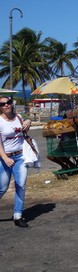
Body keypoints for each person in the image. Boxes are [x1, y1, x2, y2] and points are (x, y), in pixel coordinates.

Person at [0, 96, 33, 227]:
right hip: (4, 158)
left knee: (21, 185)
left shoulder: (19, 117)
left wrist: (28, 121)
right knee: (2, 188)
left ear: (11, 104)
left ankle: (18, 215)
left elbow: (25, 129)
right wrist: (5, 158)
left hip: (20, 156)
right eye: (2, 104)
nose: (6, 105)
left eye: (8, 102)